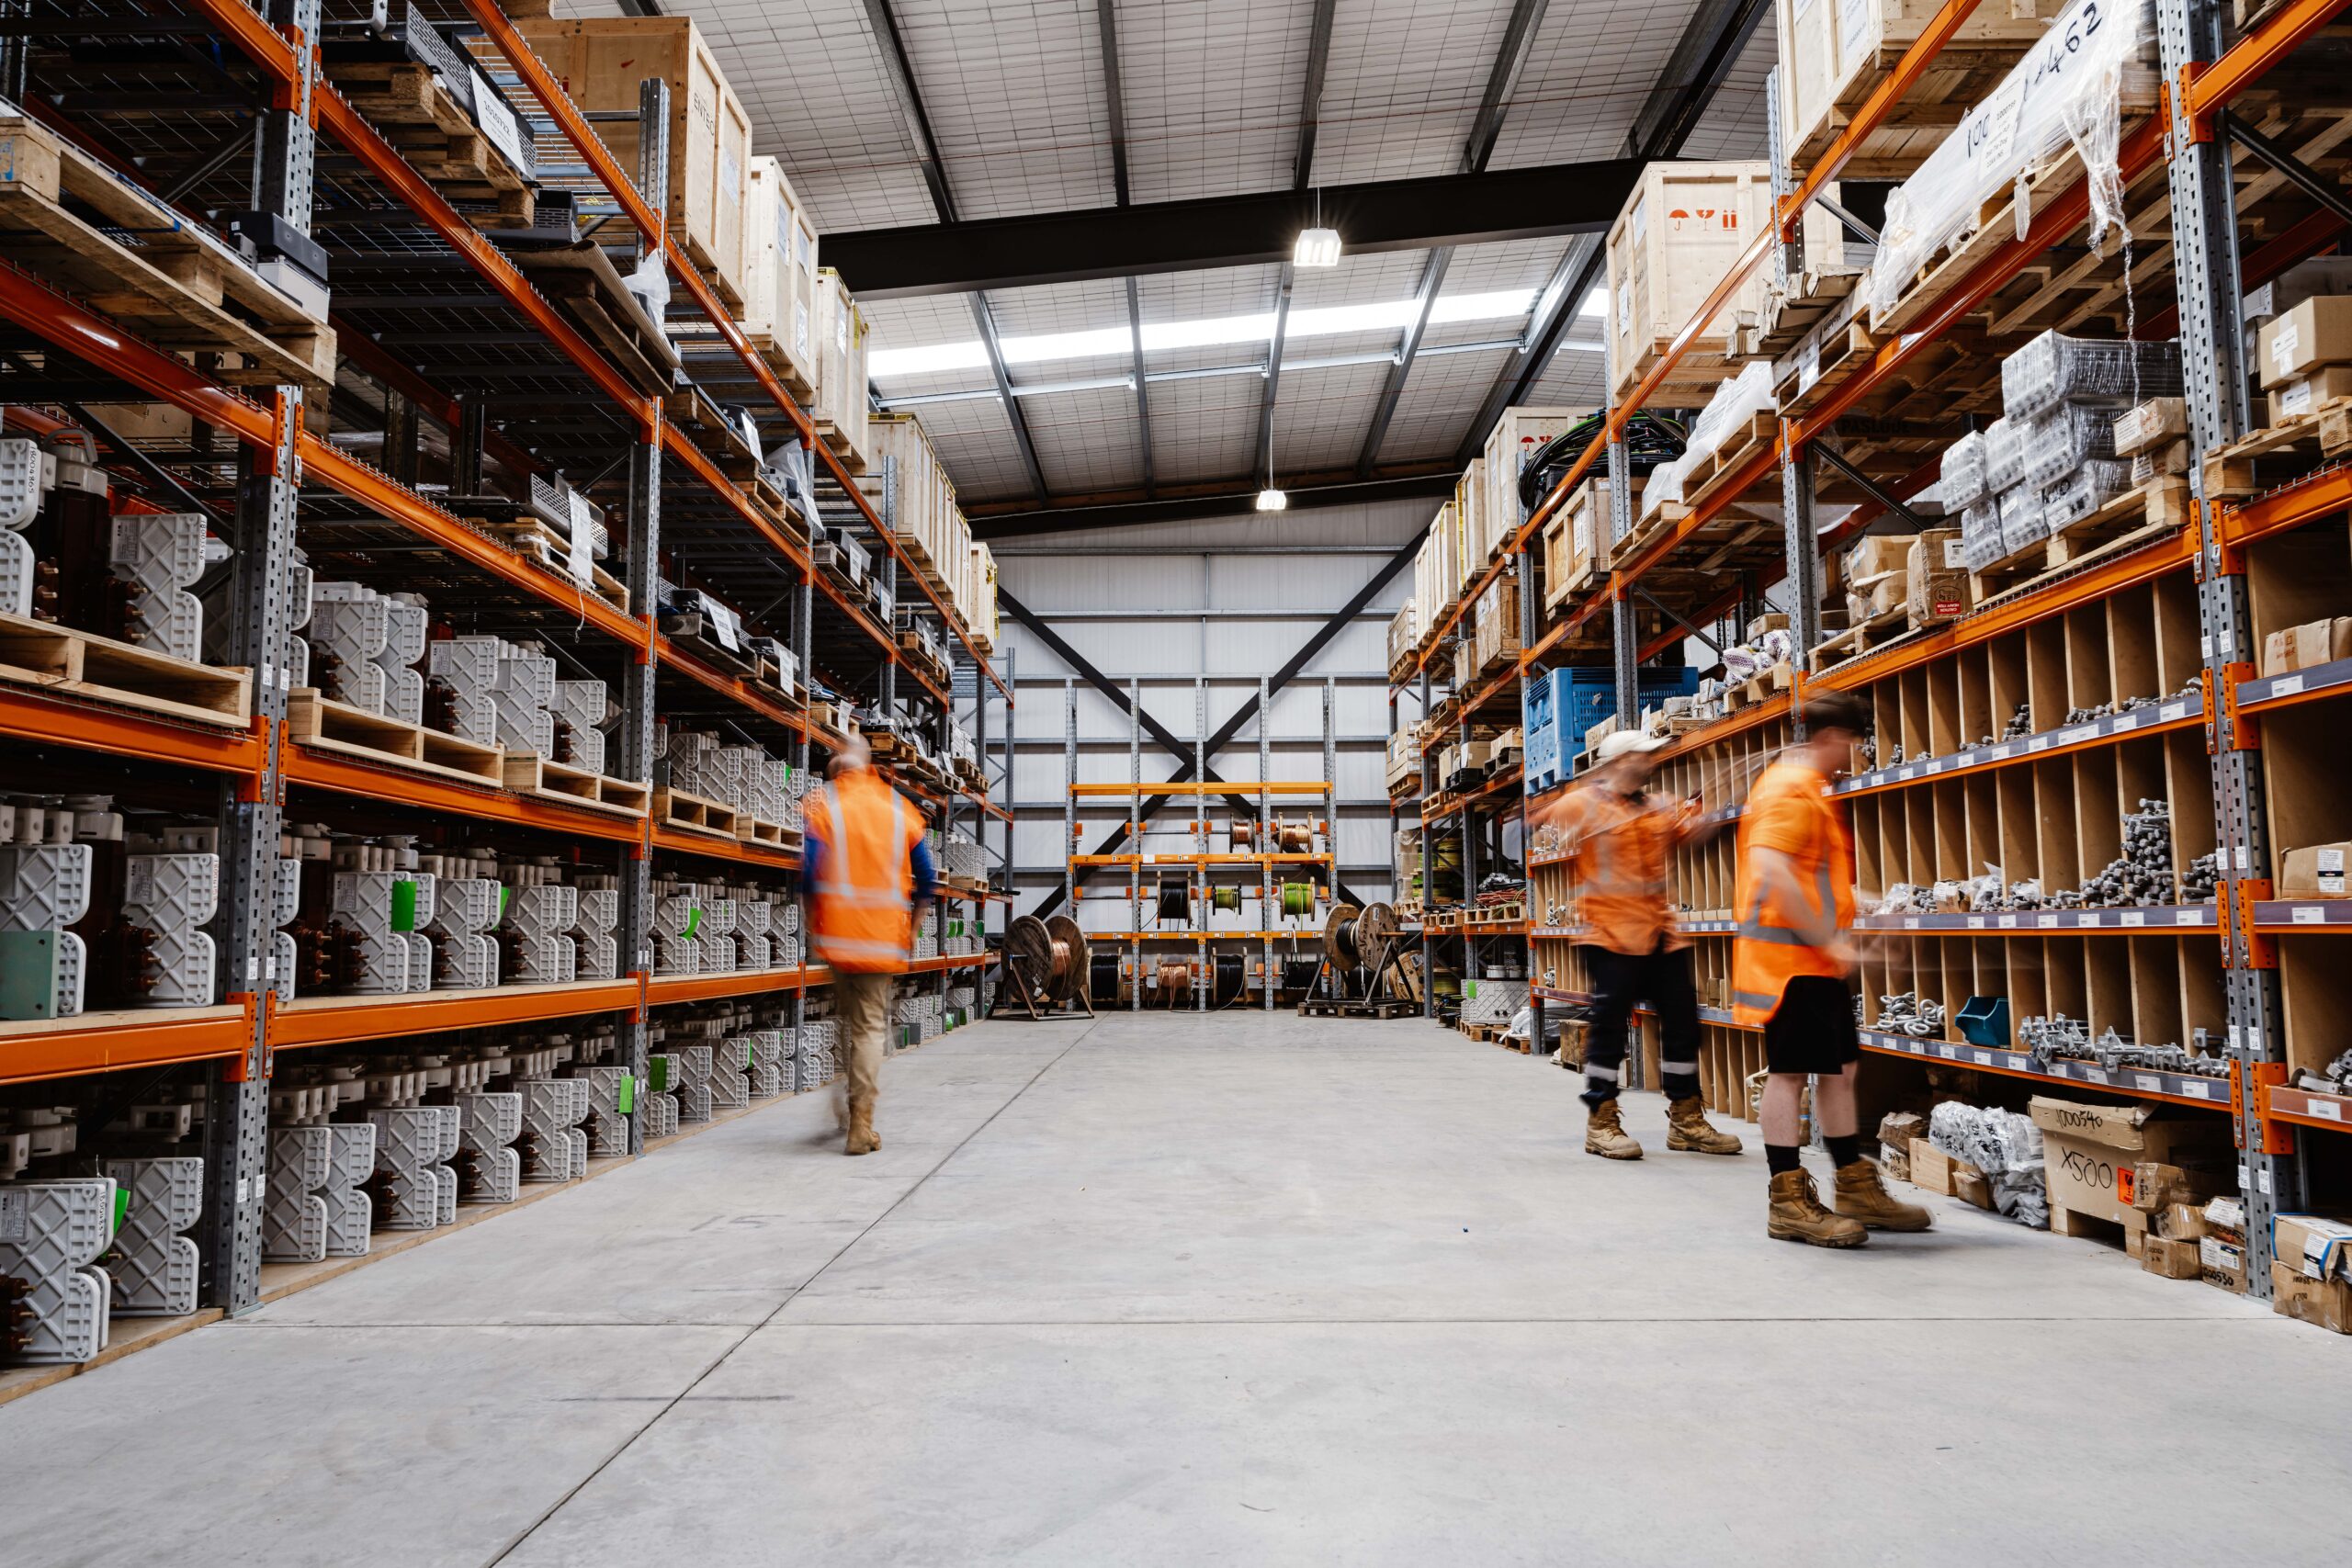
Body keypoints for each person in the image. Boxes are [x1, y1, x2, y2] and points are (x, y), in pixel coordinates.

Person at [1732, 689, 1928, 1246]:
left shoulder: (1808, 790)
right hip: (1790, 963)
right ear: (1830, 739)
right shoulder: (1789, 790)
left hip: (1815, 961)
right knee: (1790, 1075)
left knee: (1841, 1069)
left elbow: (1812, 875)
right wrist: (1829, 940)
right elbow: (1771, 871)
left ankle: (1853, 1184)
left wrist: (1865, 904)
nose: (1854, 757)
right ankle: (1787, 1200)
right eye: (1852, 745)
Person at [1539, 728, 1743, 1161]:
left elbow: (1692, 838)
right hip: (1609, 933)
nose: (1649, 761)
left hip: (1658, 933)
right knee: (1609, 1026)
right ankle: (1602, 1119)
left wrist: (1709, 812)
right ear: (1616, 762)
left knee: (1683, 1021)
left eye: (1650, 755)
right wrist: (1575, 815)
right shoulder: (1586, 802)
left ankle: (1686, 1117)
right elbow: (1538, 819)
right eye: (1640, 755)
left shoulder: (1658, 806)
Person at [802, 733, 933, 1156]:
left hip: (838, 939)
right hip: (882, 940)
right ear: (870, 764)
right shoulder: (898, 809)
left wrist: (813, 925)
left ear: (837, 769)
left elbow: (807, 874)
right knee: (869, 1029)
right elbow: (927, 880)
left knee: (848, 1025)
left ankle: (849, 1109)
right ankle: (861, 1121)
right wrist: (913, 928)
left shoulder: (823, 805)